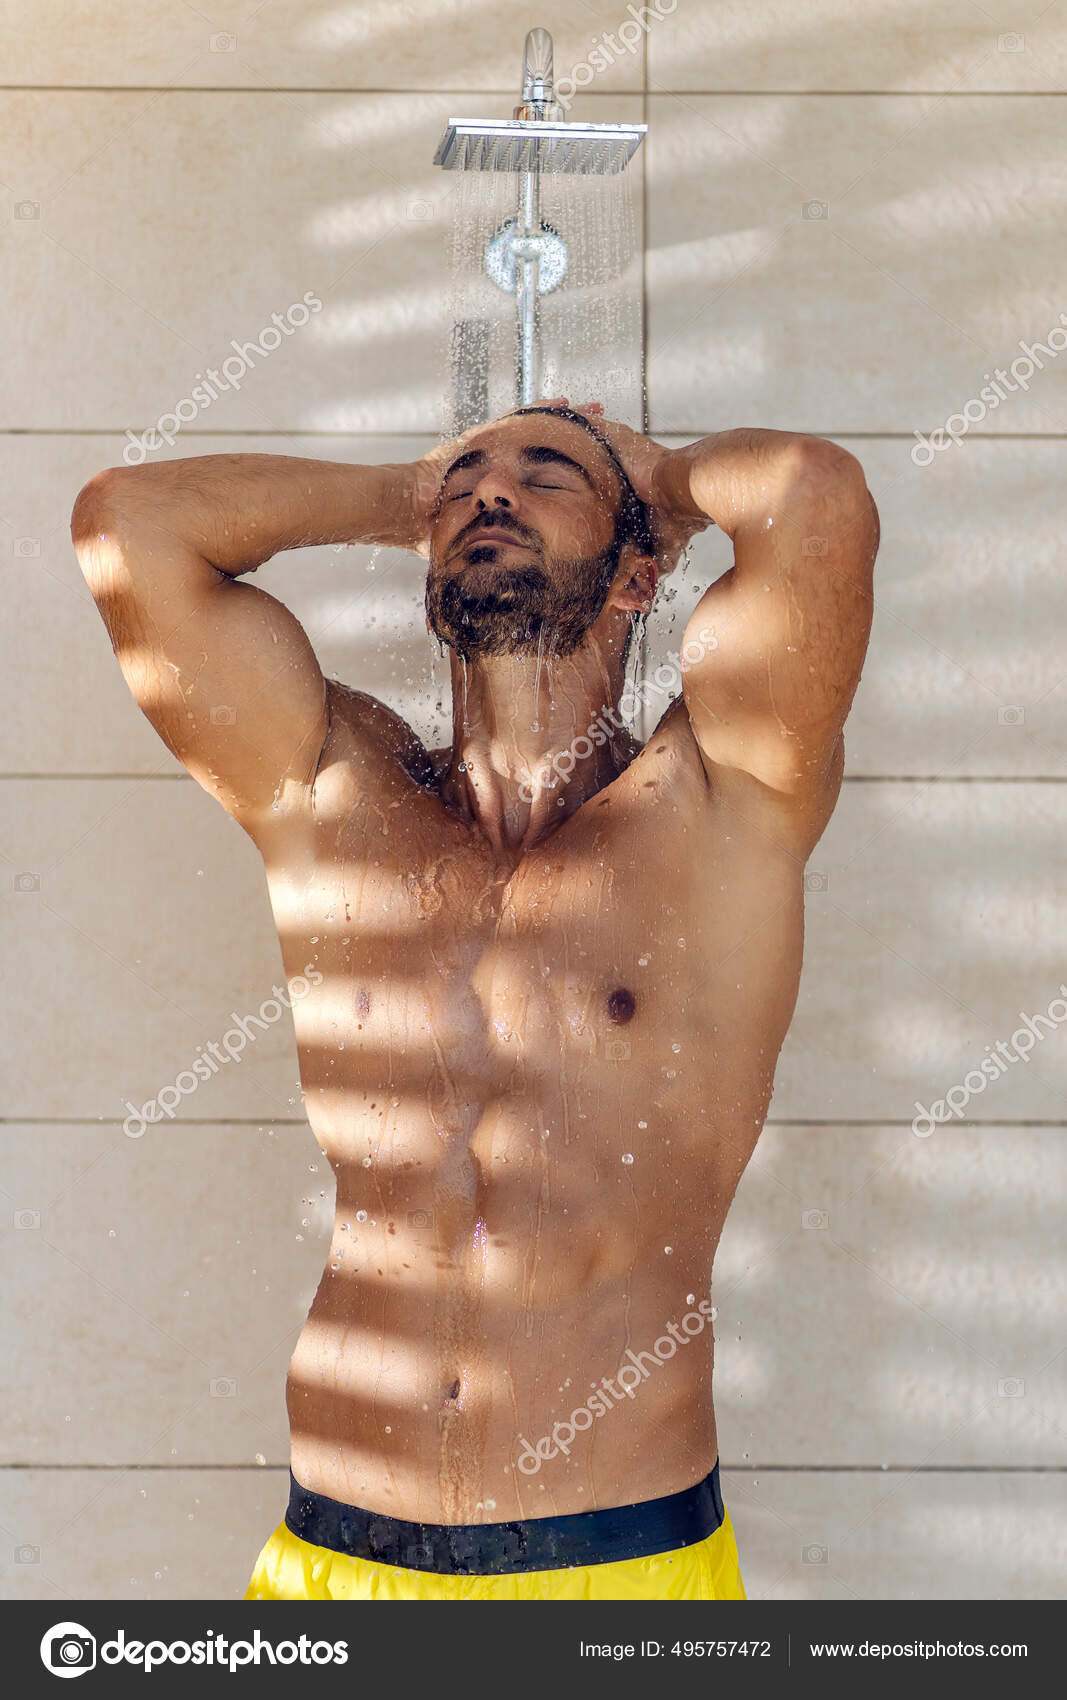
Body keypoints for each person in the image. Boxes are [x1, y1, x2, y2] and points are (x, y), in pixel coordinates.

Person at [71, 397, 879, 1600]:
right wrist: (405, 494)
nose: (489, 492)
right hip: (333, 1559)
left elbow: (812, 494)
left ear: (636, 577)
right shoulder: (328, 786)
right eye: (466, 485)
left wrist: (658, 481)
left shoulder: (721, 796)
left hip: (612, 1565)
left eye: (546, 473)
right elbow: (124, 524)